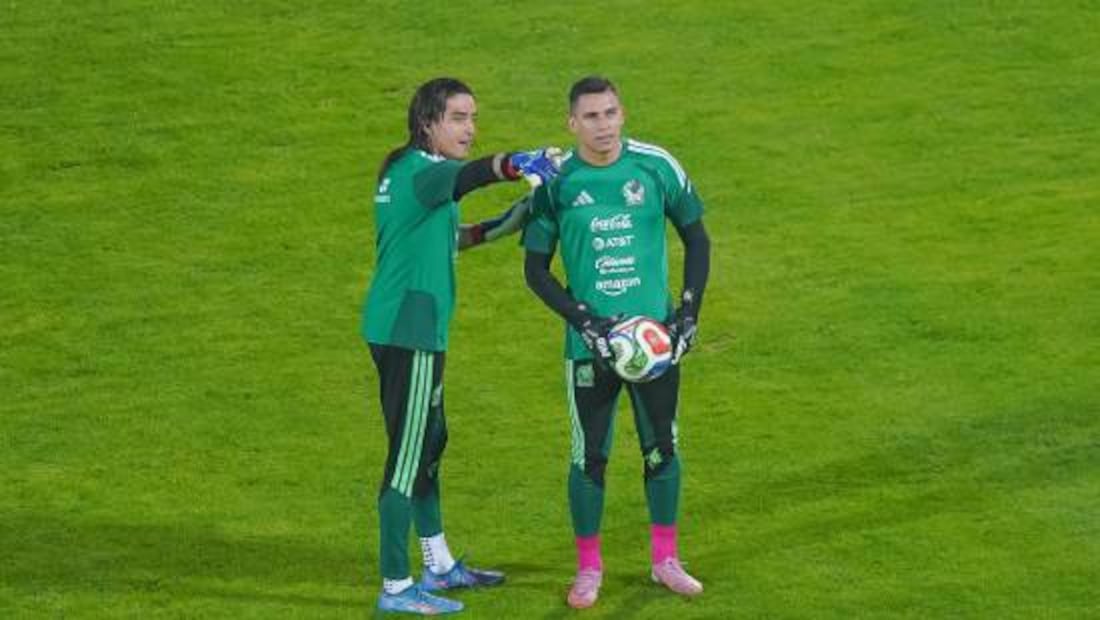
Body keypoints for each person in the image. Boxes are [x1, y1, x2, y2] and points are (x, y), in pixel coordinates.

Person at [362, 77, 559, 615]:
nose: (469, 128)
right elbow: (472, 176)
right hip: (411, 333)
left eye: (473, 117)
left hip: (408, 327)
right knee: (407, 458)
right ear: (428, 122)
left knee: (429, 444)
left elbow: (449, 238)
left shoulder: (411, 176)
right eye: (458, 118)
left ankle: (439, 562)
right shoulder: (427, 173)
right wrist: (519, 162)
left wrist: (507, 223)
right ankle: (397, 587)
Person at [522, 76, 711, 609]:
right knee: (590, 458)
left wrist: (688, 313)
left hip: (654, 342)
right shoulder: (558, 183)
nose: (602, 126)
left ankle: (665, 561)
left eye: (609, 114)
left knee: (662, 449)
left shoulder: (655, 166)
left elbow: (696, 236)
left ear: (622, 114)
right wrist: (584, 320)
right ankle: (588, 570)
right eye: (590, 117)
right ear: (571, 123)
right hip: (592, 348)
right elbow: (536, 269)